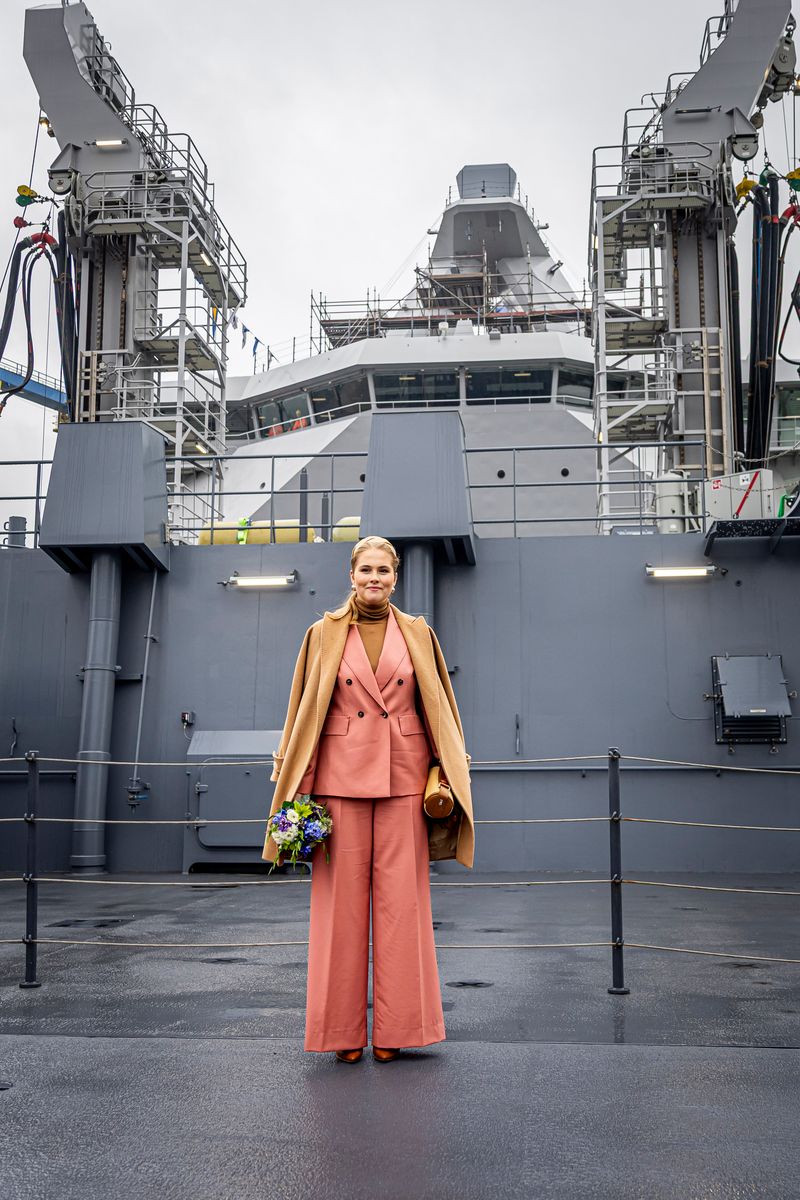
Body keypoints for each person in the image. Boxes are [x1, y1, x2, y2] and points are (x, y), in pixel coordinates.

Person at [262, 535, 474, 1063]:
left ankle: (399, 1030)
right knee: (337, 913)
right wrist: (295, 784)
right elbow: (302, 709)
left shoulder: (419, 632)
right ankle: (340, 1034)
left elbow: (440, 708)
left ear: (395, 577)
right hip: (338, 782)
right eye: (366, 570)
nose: (374, 578)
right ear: (350, 575)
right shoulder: (322, 632)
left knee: (405, 909)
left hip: (404, 780)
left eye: (383, 570)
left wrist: (448, 770)